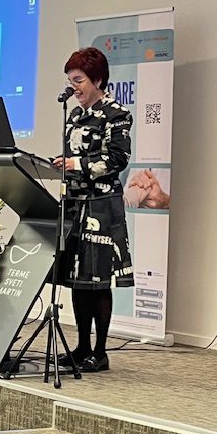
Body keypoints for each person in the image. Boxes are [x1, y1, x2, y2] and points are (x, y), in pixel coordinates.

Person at [53, 47, 134, 373]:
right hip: (75, 205)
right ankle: (82, 347)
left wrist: (77, 164)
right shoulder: (74, 115)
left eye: (79, 80)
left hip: (101, 207)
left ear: (98, 79)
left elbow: (118, 159)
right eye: (71, 81)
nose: (74, 87)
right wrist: (60, 165)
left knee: (98, 281)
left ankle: (100, 352)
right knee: (78, 279)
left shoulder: (116, 114)